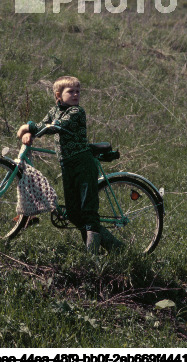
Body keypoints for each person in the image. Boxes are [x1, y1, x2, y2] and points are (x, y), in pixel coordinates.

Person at [17, 76, 121, 254]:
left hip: (82, 163)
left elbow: (57, 126)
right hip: (67, 165)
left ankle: (94, 255)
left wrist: (28, 127)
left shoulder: (76, 112)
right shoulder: (53, 111)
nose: (75, 95)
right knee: (72, 212)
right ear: (58, 95)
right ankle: (114, 247)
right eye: (71, 91)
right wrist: (29, 130)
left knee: (88, 209)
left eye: (78, 91)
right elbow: (44, 124)